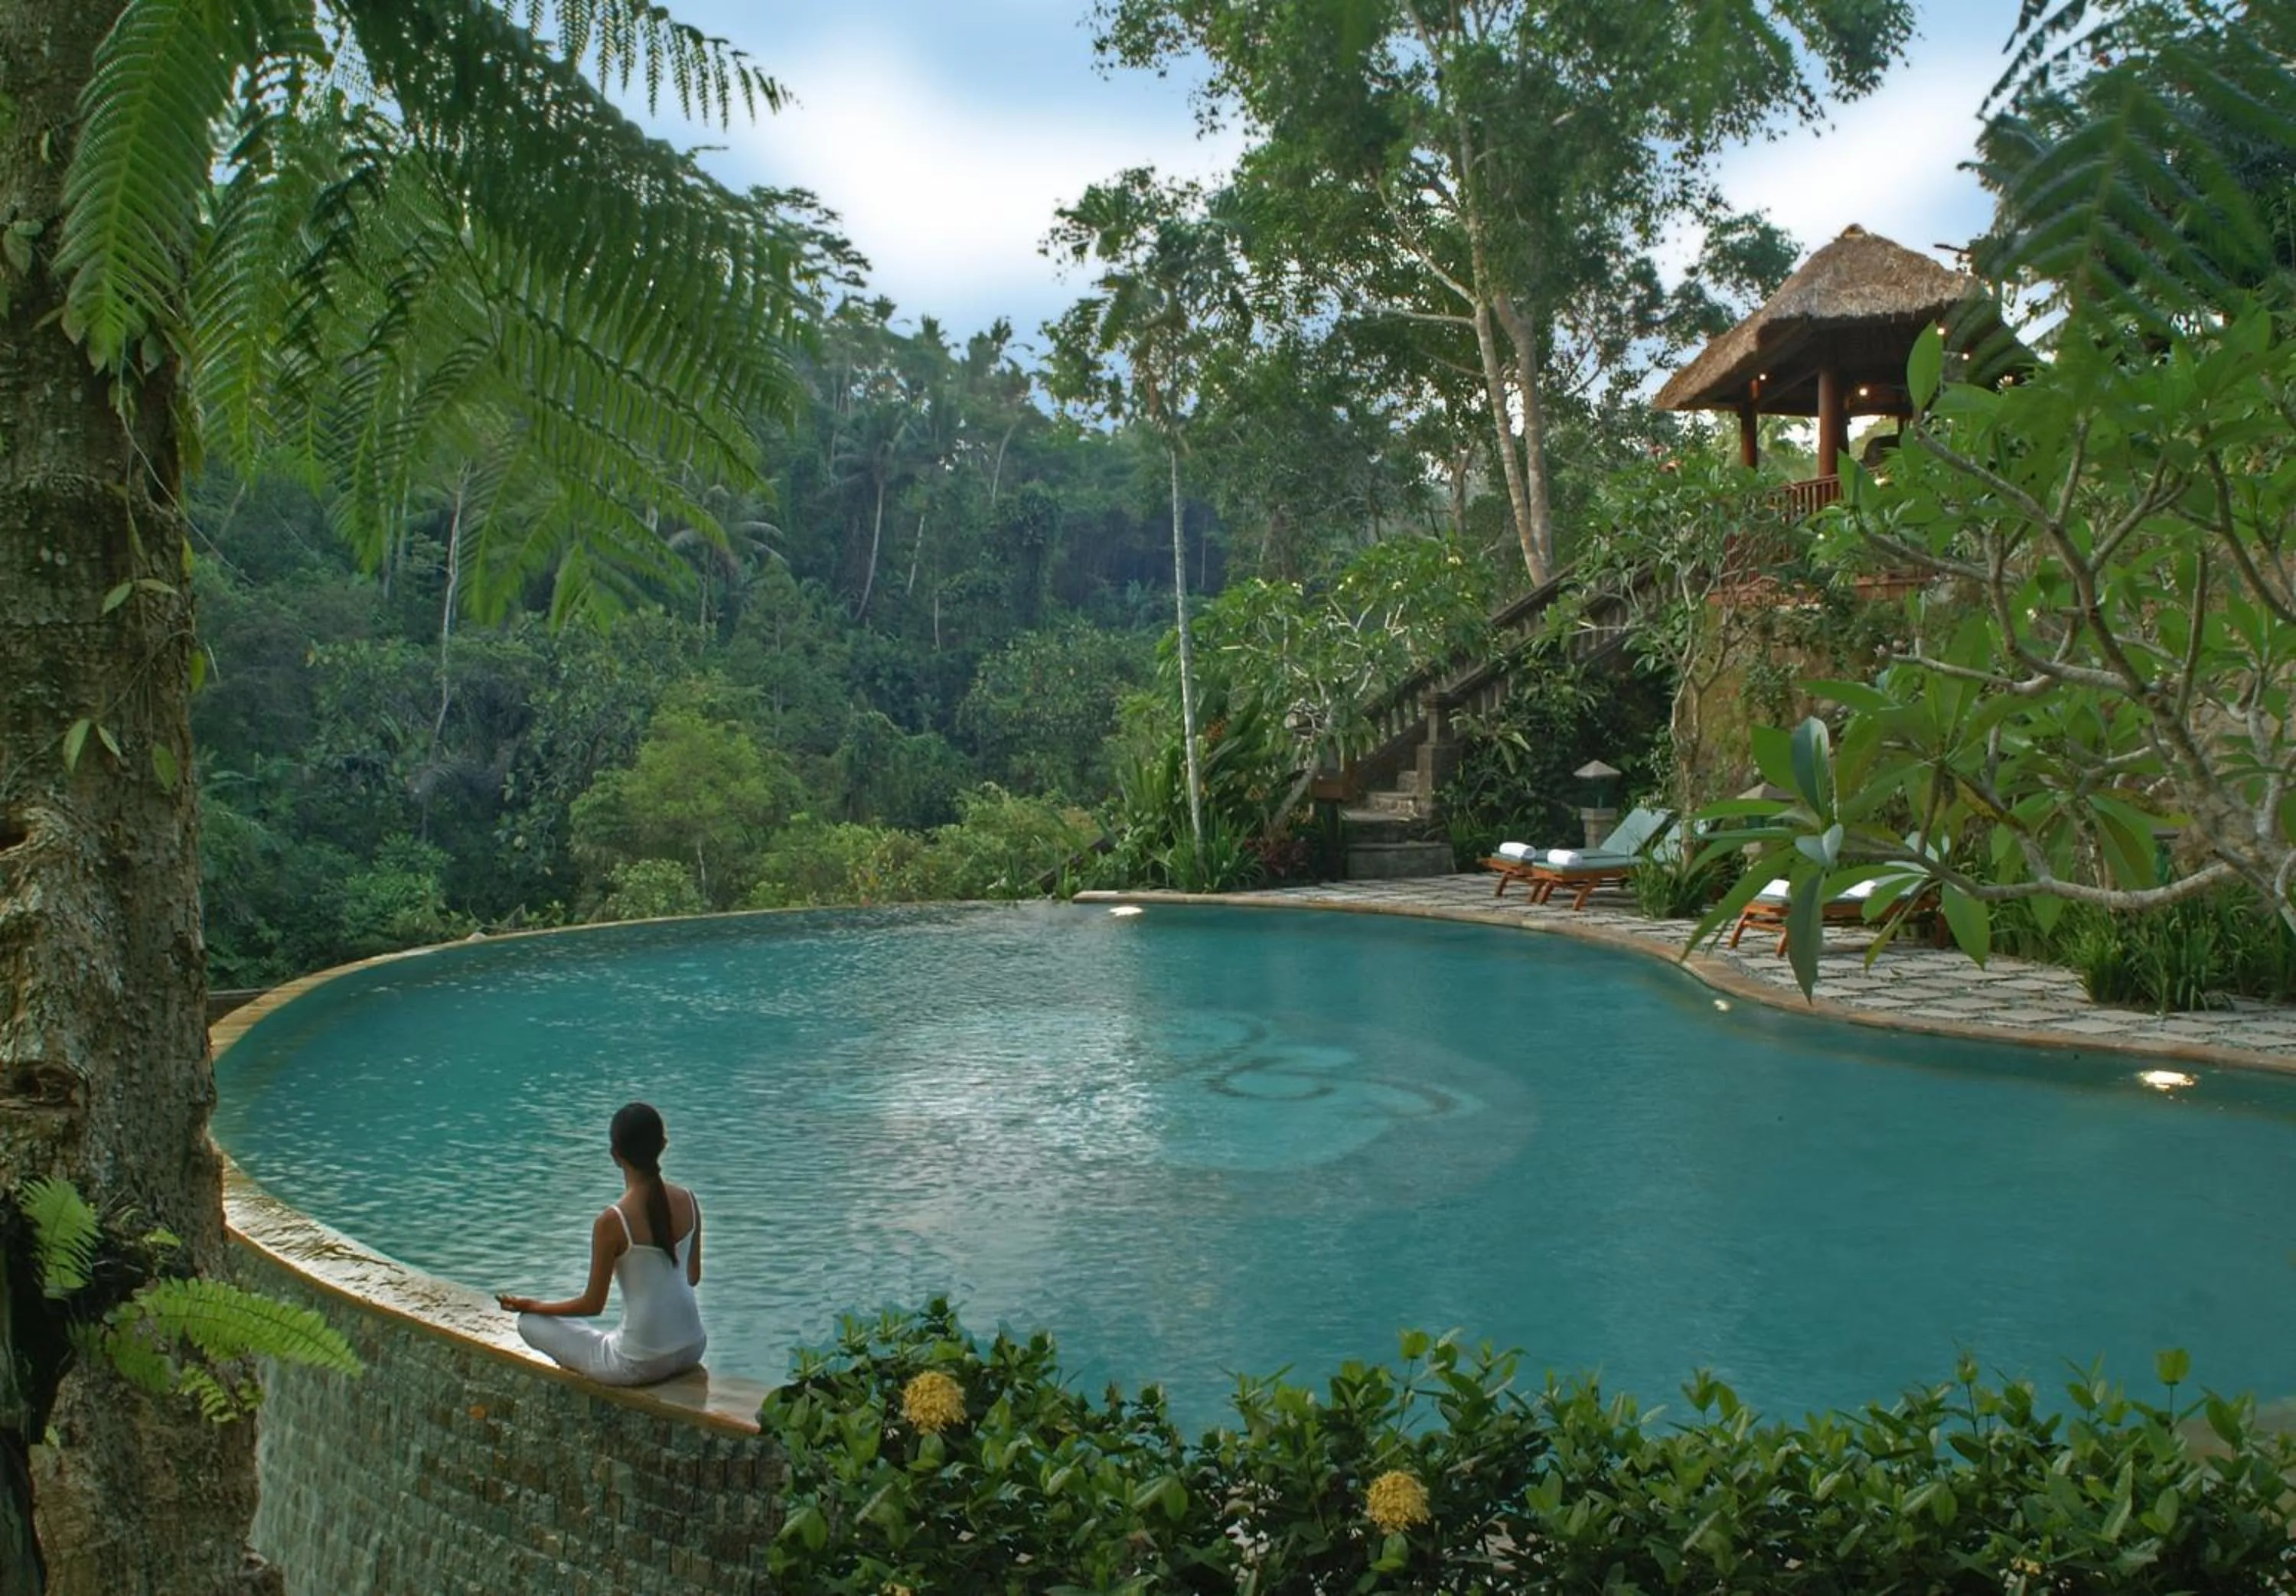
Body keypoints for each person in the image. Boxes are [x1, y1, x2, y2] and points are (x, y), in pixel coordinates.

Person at [497, 1102, 707, 1386]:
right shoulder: (689, 1200)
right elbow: (692, 1277)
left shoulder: (612, 1221)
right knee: (592, 1332)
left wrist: (533, 1305)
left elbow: (593, 1305)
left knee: (529, 1323)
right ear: (663, 1145)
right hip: (693, 1347)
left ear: (615, 1155)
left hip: (639, 1363)